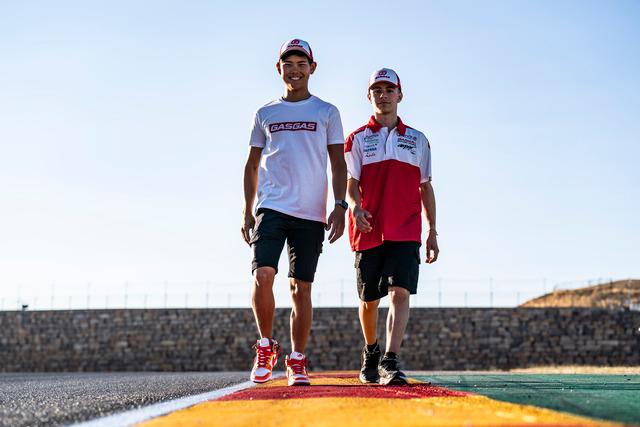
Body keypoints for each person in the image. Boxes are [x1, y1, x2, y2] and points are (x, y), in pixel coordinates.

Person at [241, 39, 347, 386]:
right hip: (270, 206)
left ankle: (297, 359)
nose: (295, 70)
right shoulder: (265, 113)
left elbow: (338, 163)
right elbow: (252, 165)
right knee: (263, 275)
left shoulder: (327, 112)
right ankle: (265, 346)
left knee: (301, 288)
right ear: (279, 69)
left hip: (310, 212)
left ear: (312, 68)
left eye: (302, 63)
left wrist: (340, 205)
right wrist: (247, 211)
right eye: (289, 64)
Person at [344, 68, 439, 385]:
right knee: (369, 300)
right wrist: (355, 207)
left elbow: (425, 187)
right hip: (368, 229)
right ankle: (371, 350)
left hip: (406, 229)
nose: (383, 95)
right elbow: (350, 183)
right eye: (377, 90)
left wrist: (432, 231)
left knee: (400, 292)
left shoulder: (418, 140)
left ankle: (390, 359)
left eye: (389, 89)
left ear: (400, 95)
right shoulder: (357, 139)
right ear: (369, 96)